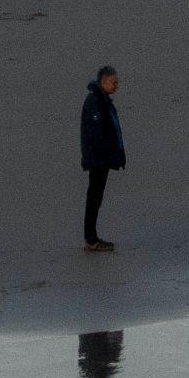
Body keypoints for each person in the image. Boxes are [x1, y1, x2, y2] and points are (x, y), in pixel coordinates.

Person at [80, 65, 127, 252]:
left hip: (101, 158)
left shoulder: (102, 100)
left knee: (96, 197)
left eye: (117, 82)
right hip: (97, 159)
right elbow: (96, 133)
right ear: (103, 81)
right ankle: (91, 239)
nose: (117, 85)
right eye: (114, 82)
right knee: (94, 198)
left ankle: (91, 238)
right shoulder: (95, 102)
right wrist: (110, 152)